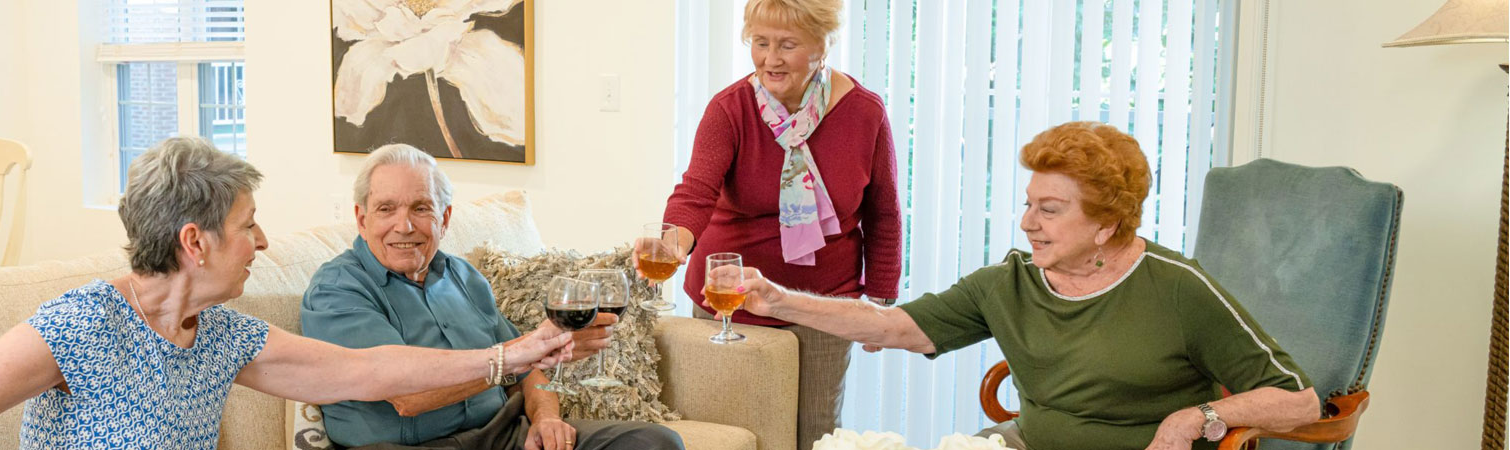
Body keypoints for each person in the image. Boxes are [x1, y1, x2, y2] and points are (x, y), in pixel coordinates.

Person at [0, 137, 575, 449]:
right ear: (197, 242)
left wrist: (510, 357)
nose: (265, 242)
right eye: (248, 226)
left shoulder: (221, 335)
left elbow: (368, 371)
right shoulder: (86, 323)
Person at [724, 122, 1321, 450]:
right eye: (1028, 204)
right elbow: (891, 327)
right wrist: (779, 298)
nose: (1028, 222)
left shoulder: (1178, 289)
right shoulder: (1009, 283)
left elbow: (1299, 400)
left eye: (1051, 209)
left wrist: (1194, 417)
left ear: (1107, 222)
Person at [303, 144, 684, 450]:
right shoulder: (337, 289)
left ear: (445, 218)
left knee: (655, 441)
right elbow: (407, 395)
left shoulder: (465, 277)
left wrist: (545, 419)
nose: (404, 225)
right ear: (362, 218)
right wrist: (519, 356)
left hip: (501, 434)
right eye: (387, 209)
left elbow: (529, 367)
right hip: (401, 445)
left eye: (421, 208)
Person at [644, 0, 900, 448]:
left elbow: (884, 213)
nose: (770, 59)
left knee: (813, 433)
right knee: (729, 430)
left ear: (823, 45)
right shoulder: (729, 109)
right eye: (760, 43)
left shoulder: (865, 113)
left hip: (823, 303)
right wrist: (674, 242)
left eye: (787, 45)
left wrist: (878, 305)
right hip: (730, 296)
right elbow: (696, 190)